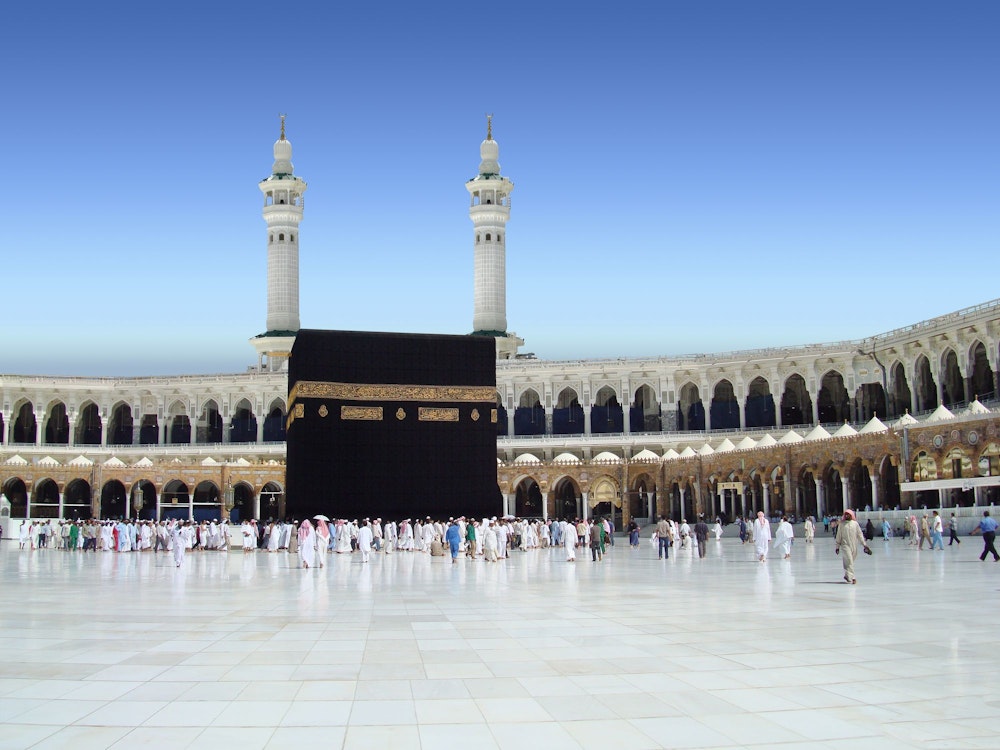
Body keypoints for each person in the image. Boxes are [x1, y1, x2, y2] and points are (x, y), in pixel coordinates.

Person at [834, 509, 870, 584]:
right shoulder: (842, 524)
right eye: (846, 515)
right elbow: (838, 536)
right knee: (849, 561)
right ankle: (852, 577)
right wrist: (837, 547)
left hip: (853, 545)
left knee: (850, 562)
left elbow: (859, 534)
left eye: (848, 514)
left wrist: (864, 545)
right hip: (845, 545)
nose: (847, 516)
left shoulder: (855, 524)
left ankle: (847, 575)